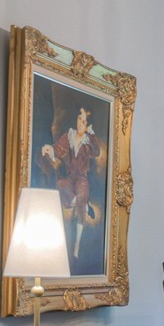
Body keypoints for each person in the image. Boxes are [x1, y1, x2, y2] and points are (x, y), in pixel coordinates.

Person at [39, 104, 105, 262]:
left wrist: (92, 135)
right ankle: (84, 204)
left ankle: (76, 246)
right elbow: (58, 148)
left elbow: (96, 152)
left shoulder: (88, 141)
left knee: (81, 195)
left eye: (83, 121)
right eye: (79, 119)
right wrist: (49, 149)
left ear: (87, 124)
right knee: (62, 186)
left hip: (82, 178)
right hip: (70, 177)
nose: (80, 123)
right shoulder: (69, 135)